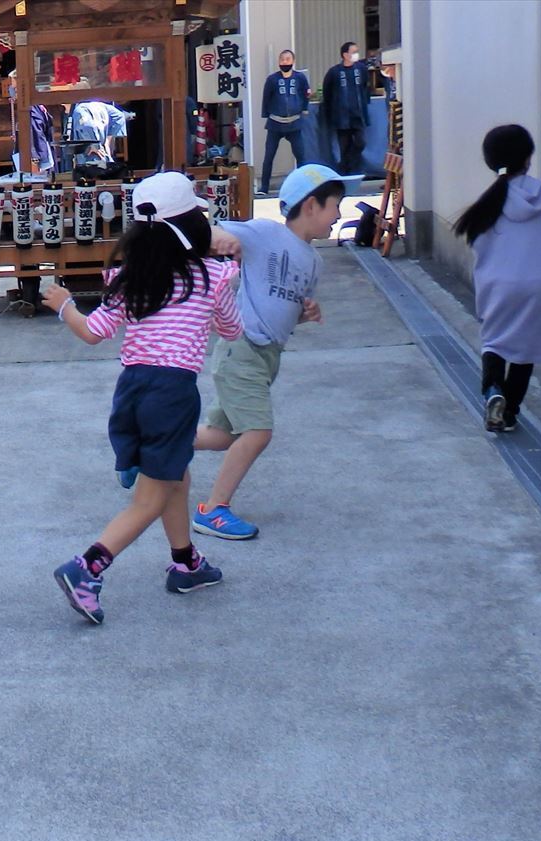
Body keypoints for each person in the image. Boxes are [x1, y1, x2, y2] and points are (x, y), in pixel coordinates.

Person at [39, 172, 241, 625]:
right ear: (194, 226)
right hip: (173, 392)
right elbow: (232, 330)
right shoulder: (212, 275)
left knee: (174, 473)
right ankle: (87, 568)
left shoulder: (130, 277)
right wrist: (227, 280)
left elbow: (94, 332)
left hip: (132, 390)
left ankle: (185, 562)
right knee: (150, 498)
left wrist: (66, 306)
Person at [190, 164, 343, 540]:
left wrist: (307, 315)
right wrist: (219, 236)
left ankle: (149, 443)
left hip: (266, 356)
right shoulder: (264, 234)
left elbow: (288, 310)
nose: (339, 215)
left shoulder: (314, 260)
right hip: (241, 349)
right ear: (310, 206)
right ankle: (214, 509)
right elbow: (206, 232)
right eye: (334, 206)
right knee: (258, 432)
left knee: (223, 434)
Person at [453, 125, 541, 432]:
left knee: (495, 342)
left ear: (491, 162)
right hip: (538, 288)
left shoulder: (489, 204)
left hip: (497, 287)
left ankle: (493, 392)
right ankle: (511, 413)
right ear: (528, 158)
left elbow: (478, 242)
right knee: (524, 351)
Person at [258, 50, 311, 195]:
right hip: (275, 122)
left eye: (288, 59)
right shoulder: (272, 79)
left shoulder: (300, 78)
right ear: (278, 61)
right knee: (269, 155)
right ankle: (264, 187)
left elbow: (306, 94)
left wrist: (304, 108)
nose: (285, 62)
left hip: (294, 122)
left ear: (293, 61)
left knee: (301, 155)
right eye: (282, 59)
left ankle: (304, 187)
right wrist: (266, 114)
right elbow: (266, 97)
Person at [322, 41, 369, 176]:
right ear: (345, 55)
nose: (356, 55)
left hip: (358, 114)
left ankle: (350, 165)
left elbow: (365, 87)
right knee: (344, 145)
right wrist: (330, 113)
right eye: (353, 52)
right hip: (341, 116)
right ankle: (345, 171)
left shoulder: (361, 69)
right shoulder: (334, 72)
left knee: (361, 142)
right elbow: (327, 92)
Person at [7, 69, 54, 173]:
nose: (13, 92)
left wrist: (33, 161)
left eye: (15, 89)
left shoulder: (31, 110)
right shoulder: (37, 106)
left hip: (35, 162)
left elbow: (35, 136)